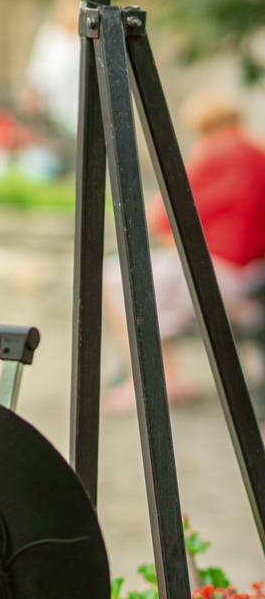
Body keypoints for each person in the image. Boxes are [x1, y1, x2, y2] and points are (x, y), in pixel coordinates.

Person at [104, 91, 265, 413]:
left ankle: (158, 381)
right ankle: (166, 374)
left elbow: (161, 215)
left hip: (225, 275)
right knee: (158, 285)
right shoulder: (257, 154)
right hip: (254, 274)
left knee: (120, 276)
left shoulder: (215, 155)